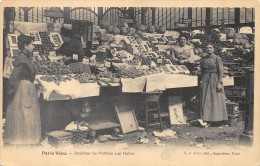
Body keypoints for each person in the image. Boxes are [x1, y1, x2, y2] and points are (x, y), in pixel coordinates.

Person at [4, 34, 41, 145]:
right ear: (25, 46)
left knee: (26, 113)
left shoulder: (25, 58)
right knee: (25, 112)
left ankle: (26, 138)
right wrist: (10, 92)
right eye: (32, 44)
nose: (34, 47)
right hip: (23, 89)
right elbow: (14, 76)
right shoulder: (21, 60)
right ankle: (24, 139)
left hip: (27, 88)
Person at [200, 44, 228, 126]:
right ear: (205, 49)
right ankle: (207, 118)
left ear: (213, 49)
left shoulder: (217, 58)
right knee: (206, 99)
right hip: (206, 79)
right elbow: (202, 70)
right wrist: (201, 80)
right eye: (207, 48)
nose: (209, 49)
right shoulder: (203, 59)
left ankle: (218, 119)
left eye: (210, 47)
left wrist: (220, 83)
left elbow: (220, 71)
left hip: (214, 79)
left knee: (215, 99)